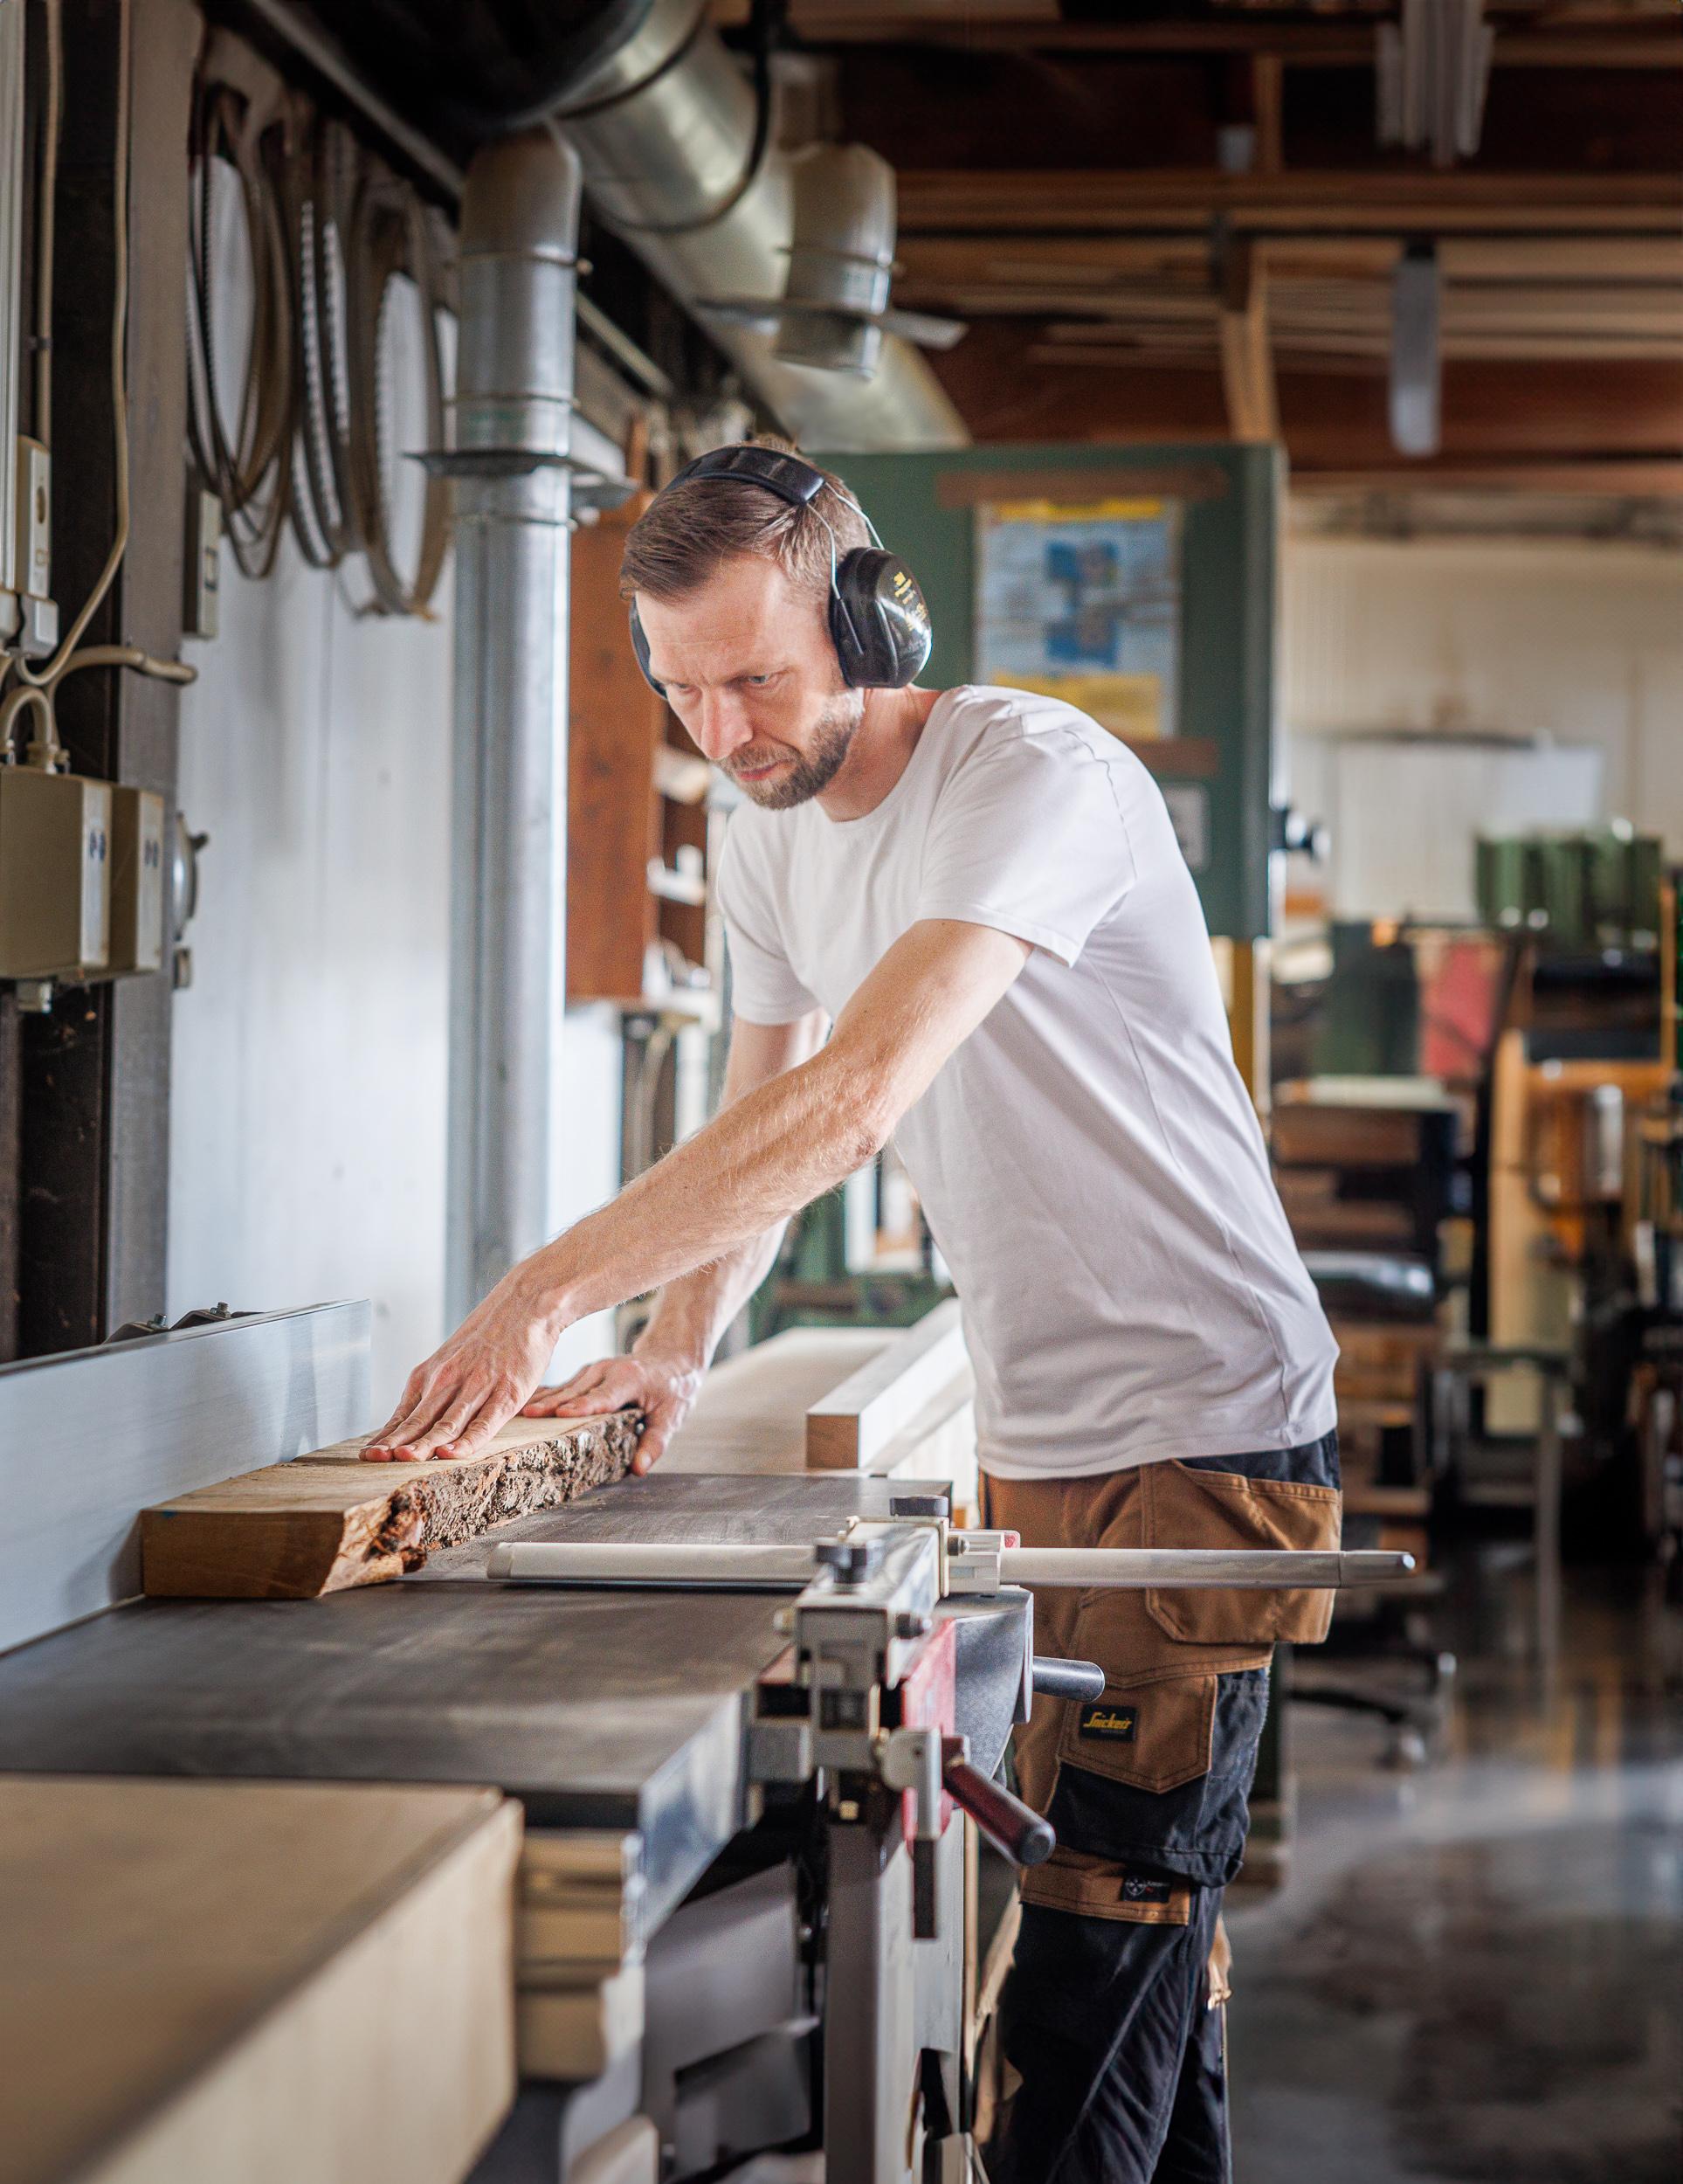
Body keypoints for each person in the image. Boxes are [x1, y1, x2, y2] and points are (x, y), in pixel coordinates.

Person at [365, 439, 1342, 2184]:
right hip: (1043, 1436)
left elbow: (851, 1104)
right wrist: (671, 1345)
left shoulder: (1026, 774)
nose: (722, 731)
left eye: (755, 675)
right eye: (680, 690)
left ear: (873, 620)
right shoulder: (762, 847)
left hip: (1202, 1430)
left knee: (1088, 1969)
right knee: (1138, 1971)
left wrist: (536, 1288)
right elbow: (762, 1102)